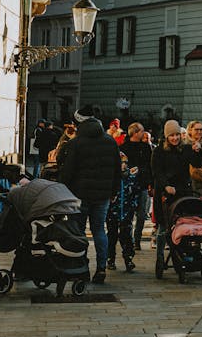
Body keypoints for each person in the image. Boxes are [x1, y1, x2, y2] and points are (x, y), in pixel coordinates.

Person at [59, 113, 122, 284]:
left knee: (78, 231)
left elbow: (68, 170)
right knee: (99, 230)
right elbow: (118, 169)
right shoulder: (110, 141)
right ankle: (101, 268)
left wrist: (63, 188)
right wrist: (114, 191)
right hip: (103, 195)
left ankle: (81, 268)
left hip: (79, 195)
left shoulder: (76, 143)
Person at [150, 121, 193, 261]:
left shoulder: (185, 149)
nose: (175, 138)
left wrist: (197, 151)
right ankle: (160, 257)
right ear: (166, 136)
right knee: (163, 227)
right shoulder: (159, 151)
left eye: (177, 135)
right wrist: (166, 186)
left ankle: (181, 254)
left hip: (181, 192)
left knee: (182, 225)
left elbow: (196, 164)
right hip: (165, 193)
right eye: (171, 135)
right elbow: (157, 171)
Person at [120, 123, 154, 251]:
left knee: (141, 214)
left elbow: (151, 165)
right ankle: (127, 239)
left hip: (143, 184)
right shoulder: (124, 147)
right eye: (141, 131)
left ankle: (137, 239)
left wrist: (150, 181)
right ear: (135, 132)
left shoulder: (146, 147)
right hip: (128, 185)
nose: (143, 133)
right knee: (128, 215)